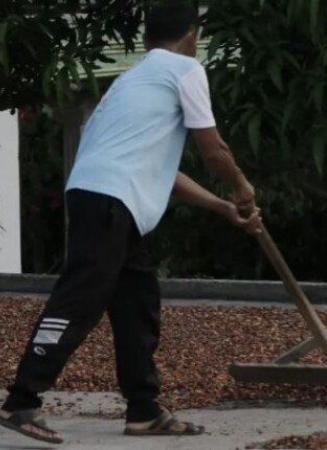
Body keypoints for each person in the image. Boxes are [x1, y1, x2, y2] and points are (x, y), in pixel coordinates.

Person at [0, 2, 261, 444]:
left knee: (138, 303)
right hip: (110, 201)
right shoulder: (183, 69)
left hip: (108, 200)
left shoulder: (131, 81)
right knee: (79, 299)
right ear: (191, 36)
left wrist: (221, 206)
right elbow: (213, 148)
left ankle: (143, 411)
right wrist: (242, 186)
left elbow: (164, 172)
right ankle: (22, 400)